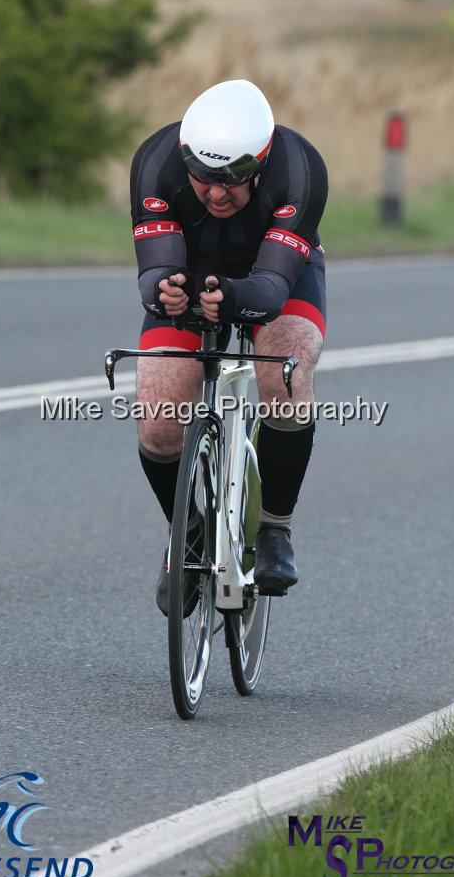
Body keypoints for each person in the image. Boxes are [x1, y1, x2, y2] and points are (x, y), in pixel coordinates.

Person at [130, 79, 328, 616]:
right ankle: (188, 534)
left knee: (284, 375)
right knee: (159, 417)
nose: (217, 194)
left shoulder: (299, 167)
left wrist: (235, 297)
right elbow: (154, 270)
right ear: (184, 158)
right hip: (193, 267)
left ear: (260, 164)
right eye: (203, 177)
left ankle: (275, 529)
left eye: (234, 180)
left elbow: (269, 290)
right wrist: (167, 290)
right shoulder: (156, 162)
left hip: (276, 270)